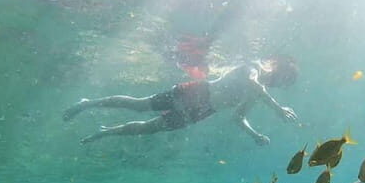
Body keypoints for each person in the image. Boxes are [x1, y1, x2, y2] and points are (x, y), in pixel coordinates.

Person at [63, 56, 299, 145]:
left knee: (149, 129)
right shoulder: (254, 67)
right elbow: (253, 83)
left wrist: (254, 134)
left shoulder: (259, 93)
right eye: (284, 78)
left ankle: (107, 132)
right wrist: (278, 109)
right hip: (198, 93)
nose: (280, 83)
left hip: (204, 110)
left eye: (285, 83)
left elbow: (238, 117)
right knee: (140, 105)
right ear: (278, 67)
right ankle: (87, 103)